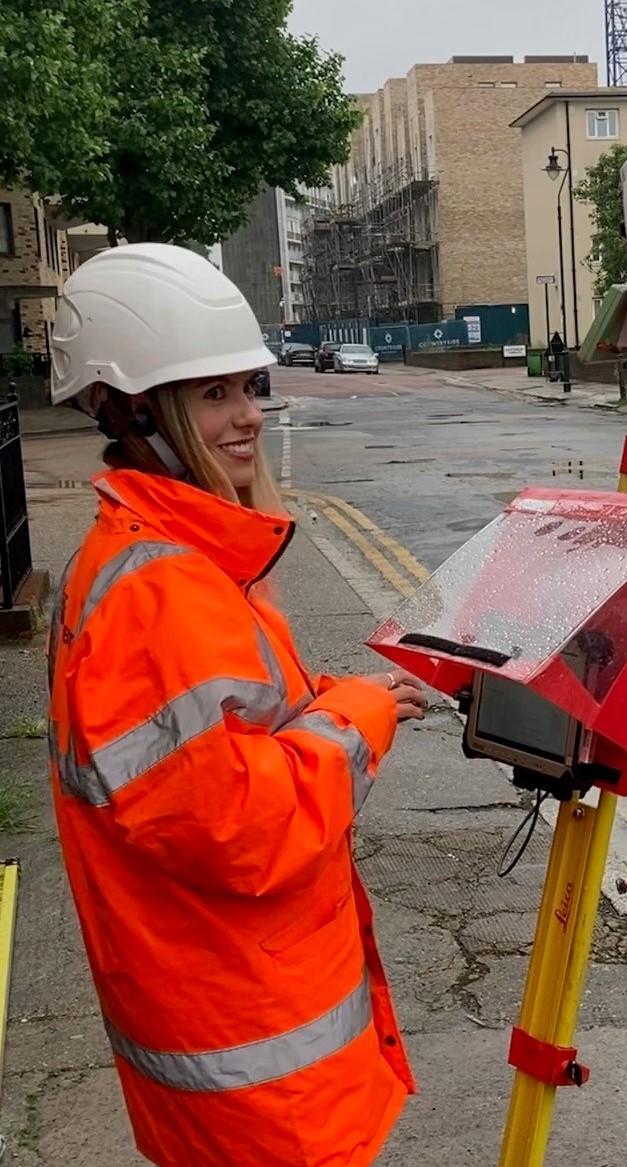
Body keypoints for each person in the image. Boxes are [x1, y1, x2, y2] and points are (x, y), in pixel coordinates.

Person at [45, 243, 424, 1167]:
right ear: (138, 410)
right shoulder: (159, 588)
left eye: (248, 386)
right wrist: (360, 719)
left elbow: (221, 743)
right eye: (212, 395)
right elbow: (240, 823)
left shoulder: (178, 553)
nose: (248, 415)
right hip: (252, 1062)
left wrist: (335, 694)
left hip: (235, 1023)